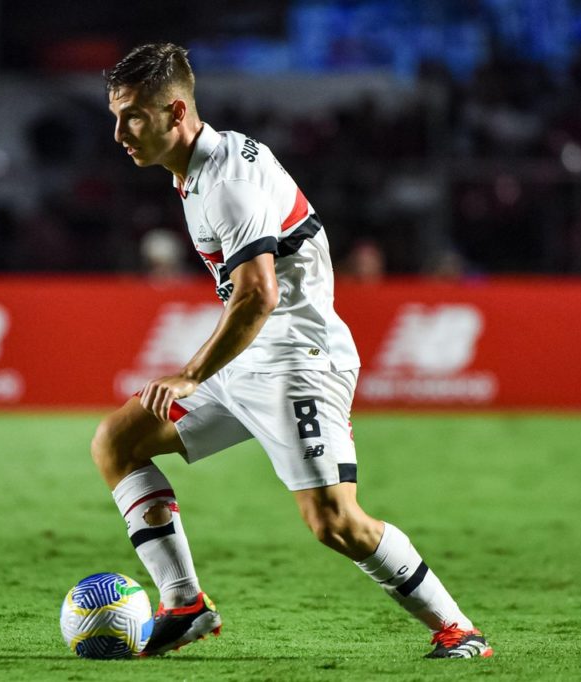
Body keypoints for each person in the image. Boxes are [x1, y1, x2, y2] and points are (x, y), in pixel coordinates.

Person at [92, 43, 492, 659]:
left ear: (176, 112)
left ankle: (459, 629)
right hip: (251, 357)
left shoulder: (228, 183)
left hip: (301, 363)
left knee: (336, 524)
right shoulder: (198, 166)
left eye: (133, 116)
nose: (119, 131)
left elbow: (258, 293)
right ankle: (184, 604)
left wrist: (192, 374)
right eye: (116, 115)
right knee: (117, 442)